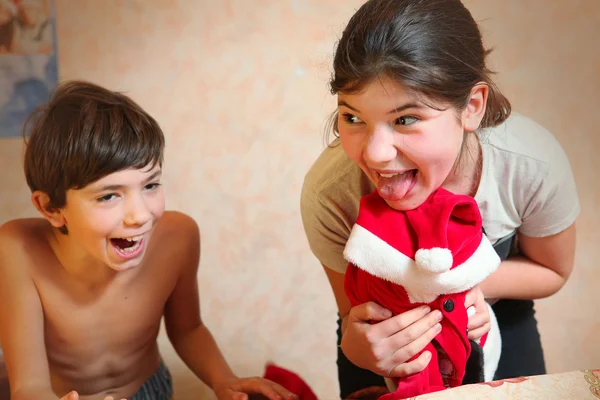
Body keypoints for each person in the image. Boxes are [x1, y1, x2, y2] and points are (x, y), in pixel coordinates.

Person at [300, 0, 579, 398]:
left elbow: (552, 271)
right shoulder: (330, 193)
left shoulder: (532, 166)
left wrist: (456, 288)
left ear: (472, 107)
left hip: (496, 319)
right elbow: (352, 310)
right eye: (354, 118)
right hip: (387, 335)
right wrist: (358, 347)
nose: (376, 154)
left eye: (406, 119)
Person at [0, 81, 297, 400]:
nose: (139, 215)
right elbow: (28, 386)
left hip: (148, 390)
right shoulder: (17, 249)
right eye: (109, 195)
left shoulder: (179, 236)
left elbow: (188, 329)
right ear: (51, 207)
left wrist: (222, 379)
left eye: (150, 185)